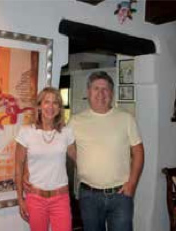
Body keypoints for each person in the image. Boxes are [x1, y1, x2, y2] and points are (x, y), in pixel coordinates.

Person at [69, 71, 144, 231]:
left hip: (120, 195)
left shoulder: (126, 119)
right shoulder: (75, 121)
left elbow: (138, 152)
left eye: (105, 89)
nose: (101, 93)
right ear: (88, 92)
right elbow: (65, 146)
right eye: (96, 88)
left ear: (111, 93)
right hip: (88, 195)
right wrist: (81, 159)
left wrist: (132, 183)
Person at [15, 87, 77, 231]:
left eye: (55, 103)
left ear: (59, 108)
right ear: (39, 106)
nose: (50, 107)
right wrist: (20, 199)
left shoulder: (66, 133)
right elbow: (18, 167)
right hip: (35, 198)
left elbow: (80, 159)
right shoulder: (26, 132)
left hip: (60, 198)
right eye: (46, 102)